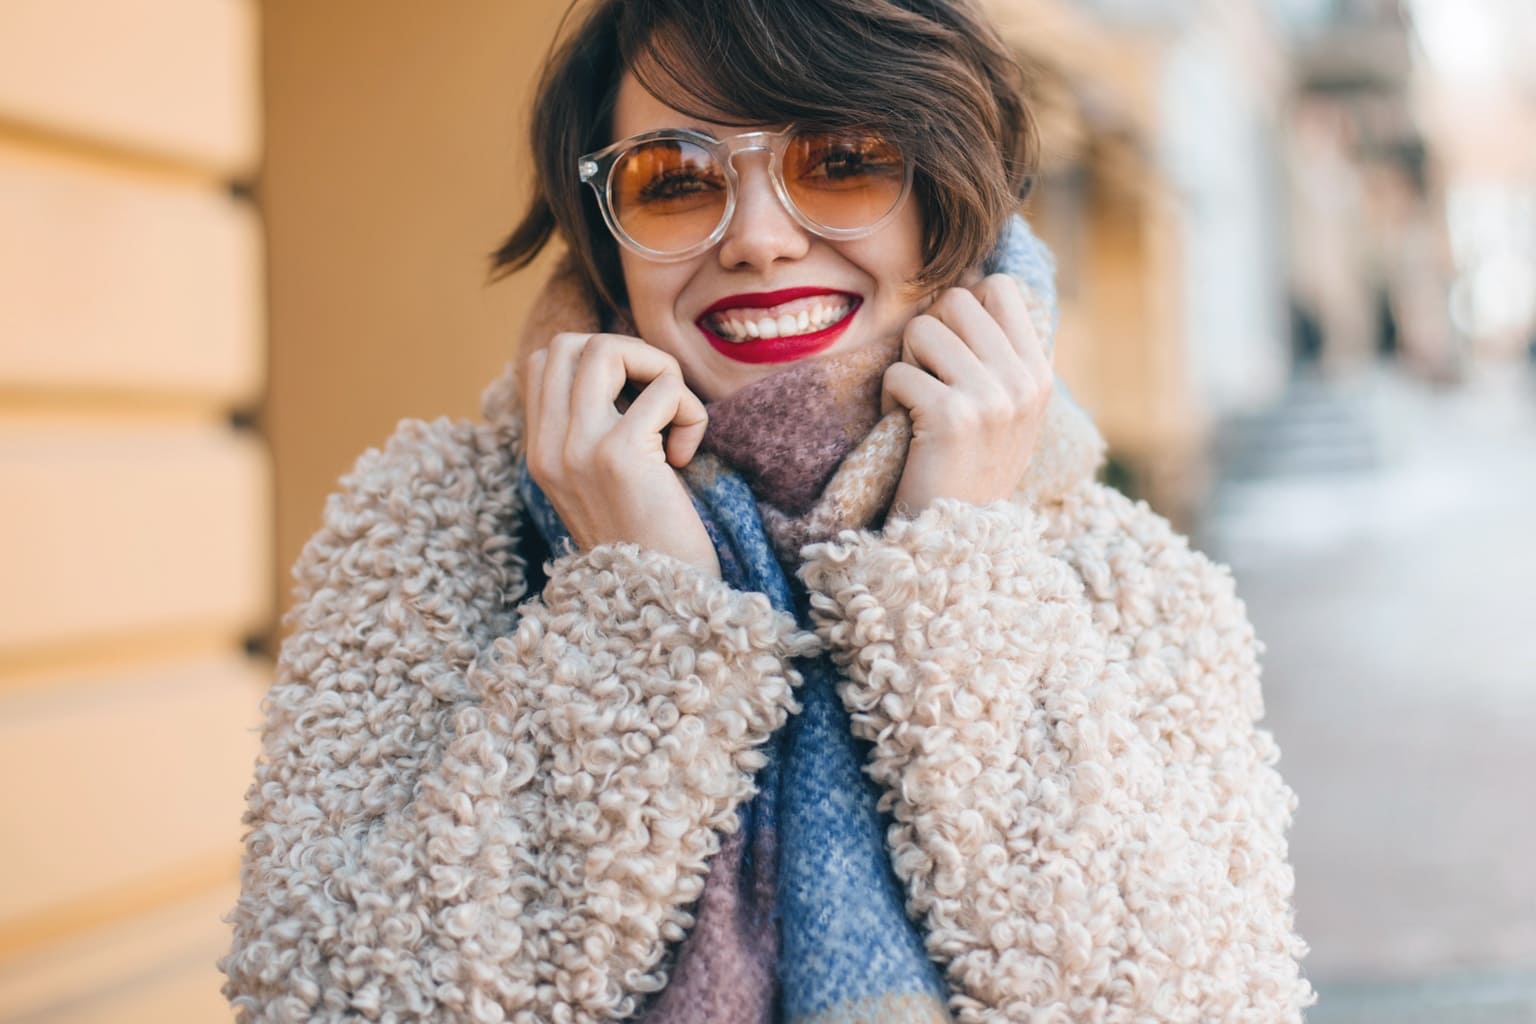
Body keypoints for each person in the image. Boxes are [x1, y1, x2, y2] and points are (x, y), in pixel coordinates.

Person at [220, 1, 1317, 1021]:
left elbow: (1182, 996)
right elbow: (333, 996)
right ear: (608, 240)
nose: (755, 235)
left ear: (951, 198)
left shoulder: (1121, 575)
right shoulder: (430, 533)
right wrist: (642, 615)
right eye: (673, 177)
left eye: (841, 162)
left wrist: (956, 568)